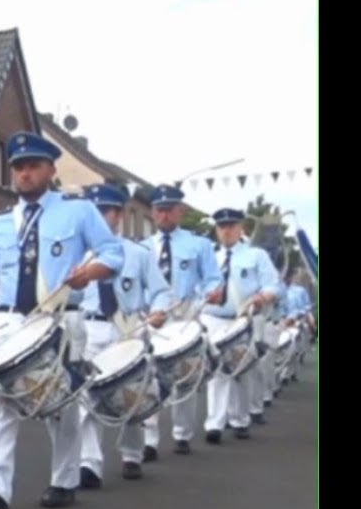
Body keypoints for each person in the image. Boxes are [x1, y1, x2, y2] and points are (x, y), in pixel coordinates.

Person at [0, 131, 123, 509]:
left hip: (60, 319)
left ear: (50, 169)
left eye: (33, 166)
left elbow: (113, 252)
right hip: (9, 322)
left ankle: (64, 480)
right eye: (19, 167)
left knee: (61, 403)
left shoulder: (77, 211)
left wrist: (91, 272)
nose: (25, 173)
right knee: (1, 399)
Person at [74, 184, 172, 486]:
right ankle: (89, 464)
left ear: (117, 215)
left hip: (126, 328)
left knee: (131, 394)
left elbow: (160, 292)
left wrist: (158, 312)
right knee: (85, 397)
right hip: (88, 328)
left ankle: (131, 453)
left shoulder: (137, 254)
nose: (101, 218)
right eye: (95, 212)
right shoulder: (77, 253)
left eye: (106, 211)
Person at [138, 184, 222, 458]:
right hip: (153, 318)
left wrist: (213, 292)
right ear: (152, 212)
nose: (163, 215)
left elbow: (212, 278)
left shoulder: (199, 244)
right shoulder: (141, 249)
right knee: (148, 378)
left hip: (185, 316)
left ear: (179, 212)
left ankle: (182, 433)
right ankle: (149, 440)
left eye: (168, 210)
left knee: (184, 377)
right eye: (158, 210)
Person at [200, 208, 279, 443]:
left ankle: (240, 419)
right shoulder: (209, 257)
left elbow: (273, 285)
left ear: (240, 227)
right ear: (217, 230)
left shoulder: (256, 255)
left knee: (240, 370)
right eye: (222, 226)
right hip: (212, 318)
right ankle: (214, 424)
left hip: (242, 318)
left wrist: (262, 297)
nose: (227, 231)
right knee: (216, 370)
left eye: (232, 226)